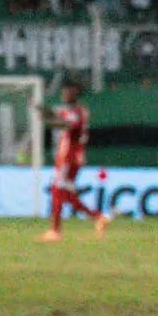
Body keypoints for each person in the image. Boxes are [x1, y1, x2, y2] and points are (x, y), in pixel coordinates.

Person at [39, 78, 111, 242]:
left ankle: (55, 231)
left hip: (69, 157)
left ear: (74, 93)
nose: (64, 94)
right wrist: (45, 114)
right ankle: (97, 217)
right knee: (64, 192)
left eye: (67, 91)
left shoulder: (77, 112)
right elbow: (59, 120)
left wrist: (45, 116)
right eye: (64, 91)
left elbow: (64, 125)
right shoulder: (73, 111)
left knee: (57, 189)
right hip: (69, 157)